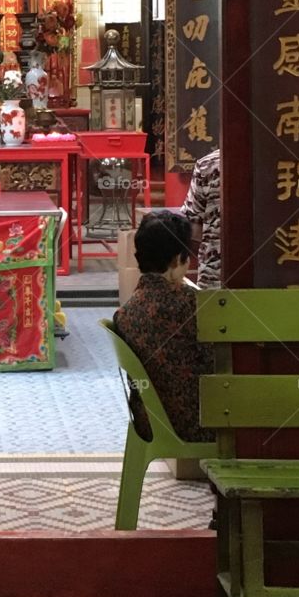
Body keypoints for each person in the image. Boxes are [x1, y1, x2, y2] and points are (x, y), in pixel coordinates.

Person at [113, 209, 214, 444]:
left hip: (149, 421)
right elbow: (216, 361)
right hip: (196, 423)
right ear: (177, 259)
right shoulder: (192, 303)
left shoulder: (126, 312)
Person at [181, 147, 221, 289]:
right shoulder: (271, 162)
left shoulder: (207, 164)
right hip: (266, 273)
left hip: (214, 274)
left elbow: (194, 229)